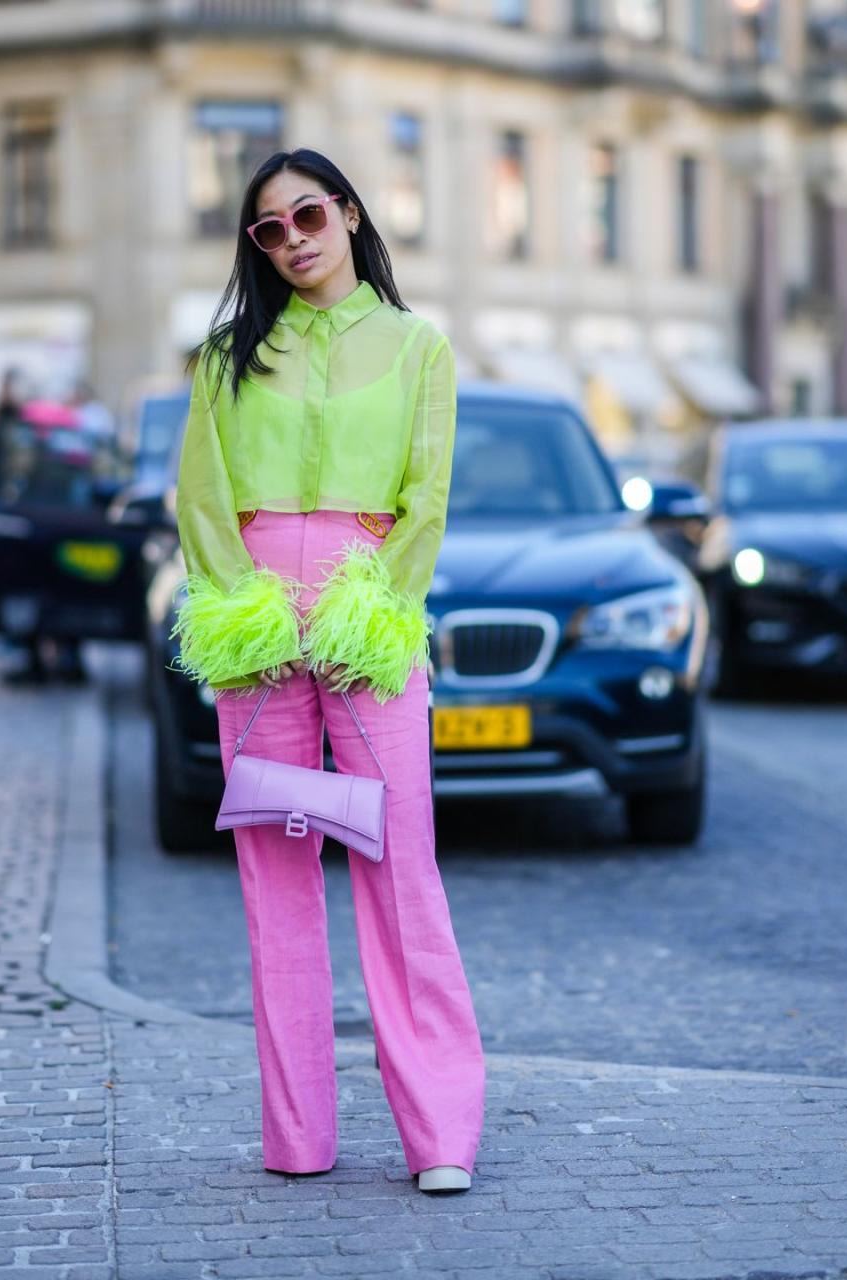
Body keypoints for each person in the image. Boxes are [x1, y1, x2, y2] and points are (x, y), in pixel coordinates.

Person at [171, 149, 485, 1193]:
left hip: (368, 622)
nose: (294, 236)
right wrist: (245, 607)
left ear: (348, 213)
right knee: (276, 877)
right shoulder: (225, 357)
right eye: (269, 228)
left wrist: (370, 608)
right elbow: (201, 498)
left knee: (401, 866)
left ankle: (440, 1131)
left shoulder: (416, 347)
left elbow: (424, 494)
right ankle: (298, 1133)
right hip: (254, 627)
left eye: (308, 213)